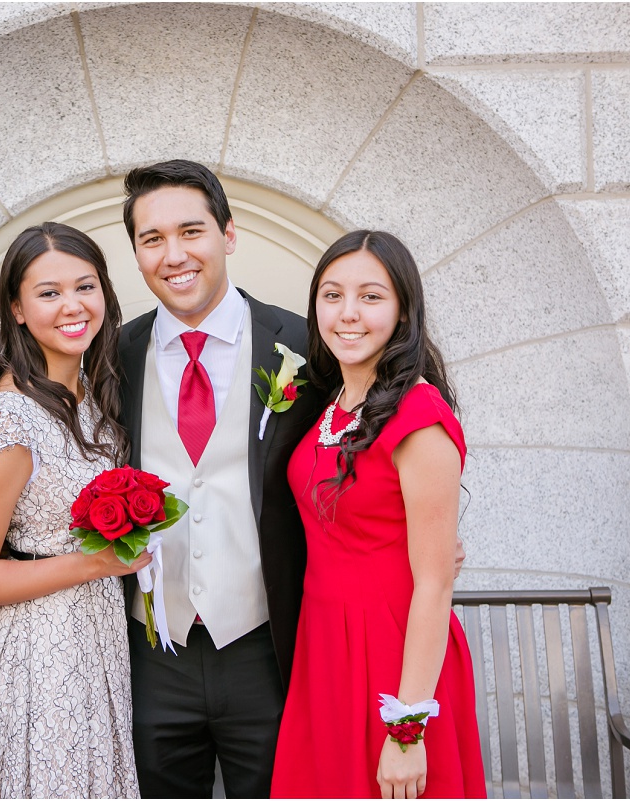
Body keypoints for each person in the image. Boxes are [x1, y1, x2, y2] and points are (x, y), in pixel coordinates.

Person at [116, 160, 326, 798]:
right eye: (152, 240)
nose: (173, 255)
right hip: (151, 652)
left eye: (191, 231)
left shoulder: (306, 345)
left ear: (228, 235)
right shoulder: (111, 355)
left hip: (267, 646)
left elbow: (375, 434)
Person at [270, 230, 485, 798]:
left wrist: (407, 727)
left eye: (371, 296)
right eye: (332, 295)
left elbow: (435, 585)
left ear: (402, 310)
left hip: (393, 655)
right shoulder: (330, 402)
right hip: (324, 649)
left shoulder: (419, 418)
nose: (348, 314)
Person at [0, 222, 148, 798]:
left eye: (85, 287)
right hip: (39, 653)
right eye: (48, 292)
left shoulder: (94, 393)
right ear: (16, 307)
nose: (72, 306)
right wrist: (99, 564)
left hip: (100, 637)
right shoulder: (11, 420)